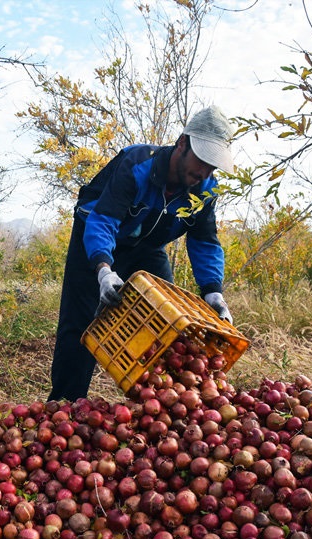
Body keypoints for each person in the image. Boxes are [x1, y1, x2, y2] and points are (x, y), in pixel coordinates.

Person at [47, 105, 236, 402]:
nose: (203, 172)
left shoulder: (205, 189)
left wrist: (213, 292)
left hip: (146, 248)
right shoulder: (138, 163)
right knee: (82, 325)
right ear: (182, 143)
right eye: (201, 161)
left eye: (212, 166)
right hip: (95, 241)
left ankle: (162, 407)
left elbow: (205, 240)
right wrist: (104, 271)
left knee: (170, 323)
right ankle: (64, 406)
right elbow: (104, 219)